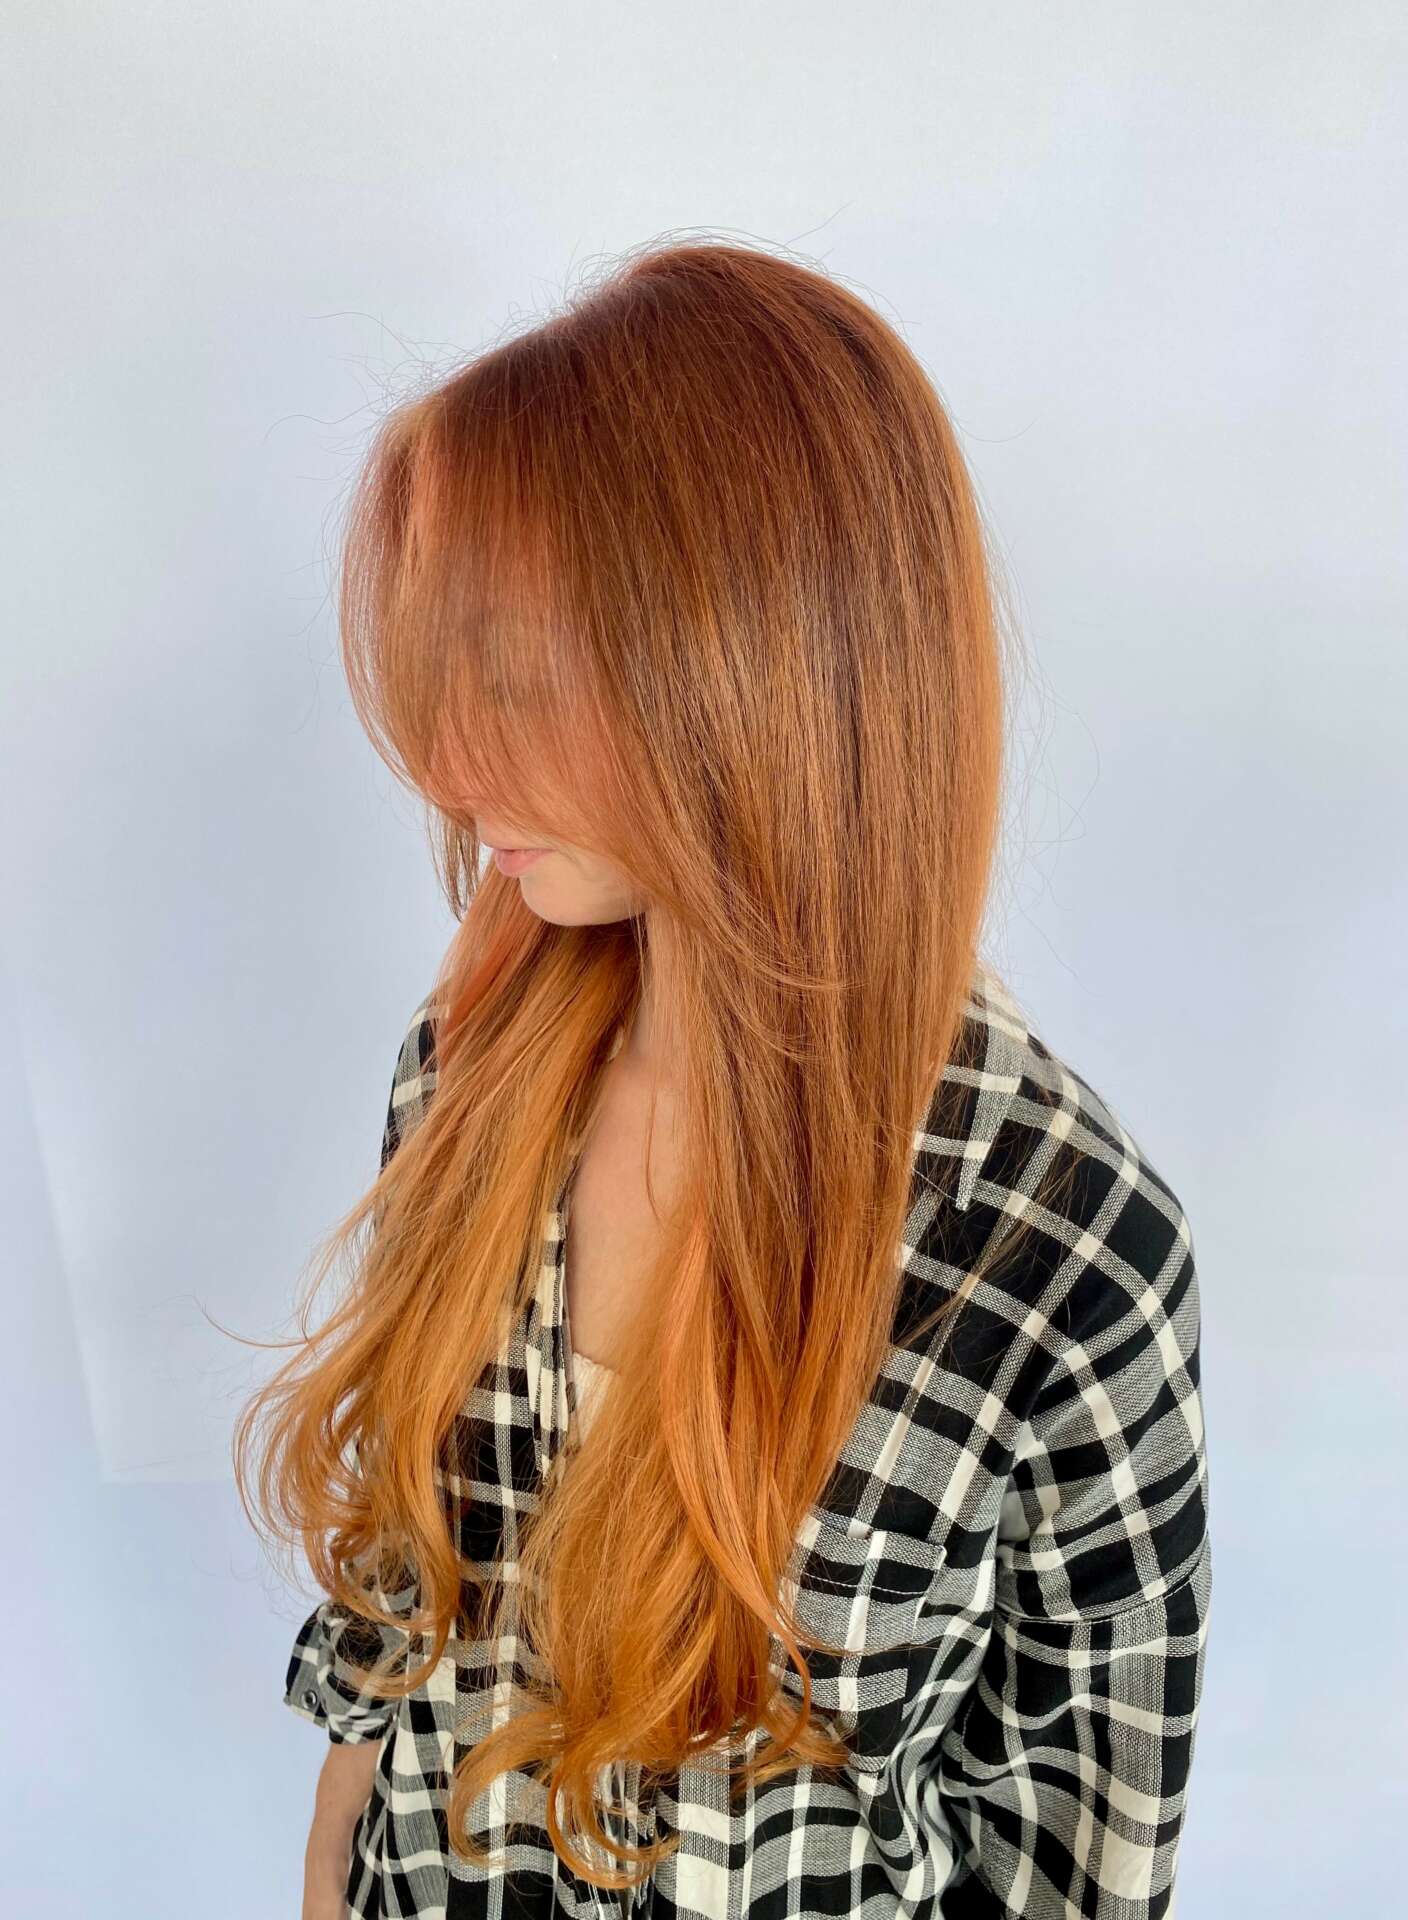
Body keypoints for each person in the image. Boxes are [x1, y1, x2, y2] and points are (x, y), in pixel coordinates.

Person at [234, 235, 1212, 1920]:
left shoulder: (1058, 1253)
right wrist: (333, 1855)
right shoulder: (469, 1072)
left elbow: (1079, 1861)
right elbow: (409, 1569)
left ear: (763, 673)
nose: (451, 764)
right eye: (454, 675)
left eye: (522, 682)